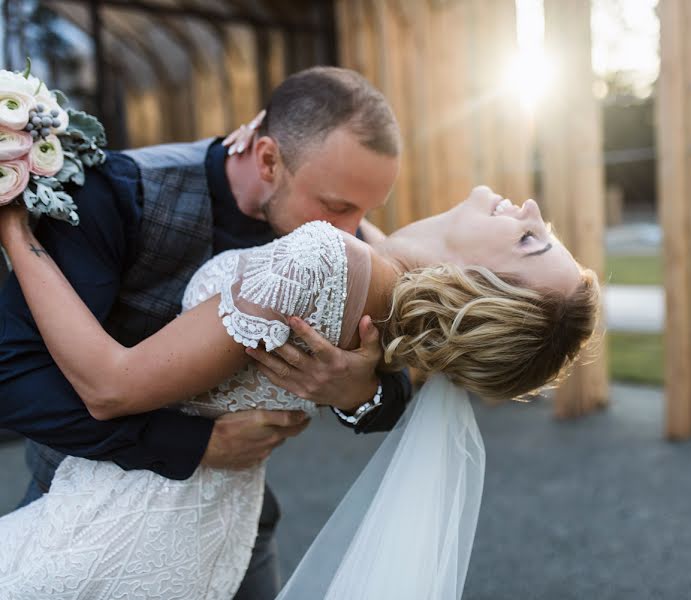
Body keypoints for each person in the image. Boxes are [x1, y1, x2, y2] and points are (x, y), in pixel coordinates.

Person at [0, 184, 600, 599]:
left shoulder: (327, 259)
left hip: (127, 534)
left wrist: (15, 228)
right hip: (208, 535)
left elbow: (110, 386)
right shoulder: (385, 303)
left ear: (479, 287)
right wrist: (360, 393)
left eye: (530, 241)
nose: (528, 207)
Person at [0, 66, 412, 599]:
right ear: (267, 158)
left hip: (233, 528)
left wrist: (356, 390)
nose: (353, 232)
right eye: (337, 207)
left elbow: (392, 389)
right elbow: (13, 376)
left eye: (366, 211)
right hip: (83, 517)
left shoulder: (338, 242)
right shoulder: (116, 195)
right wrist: (194, 443)